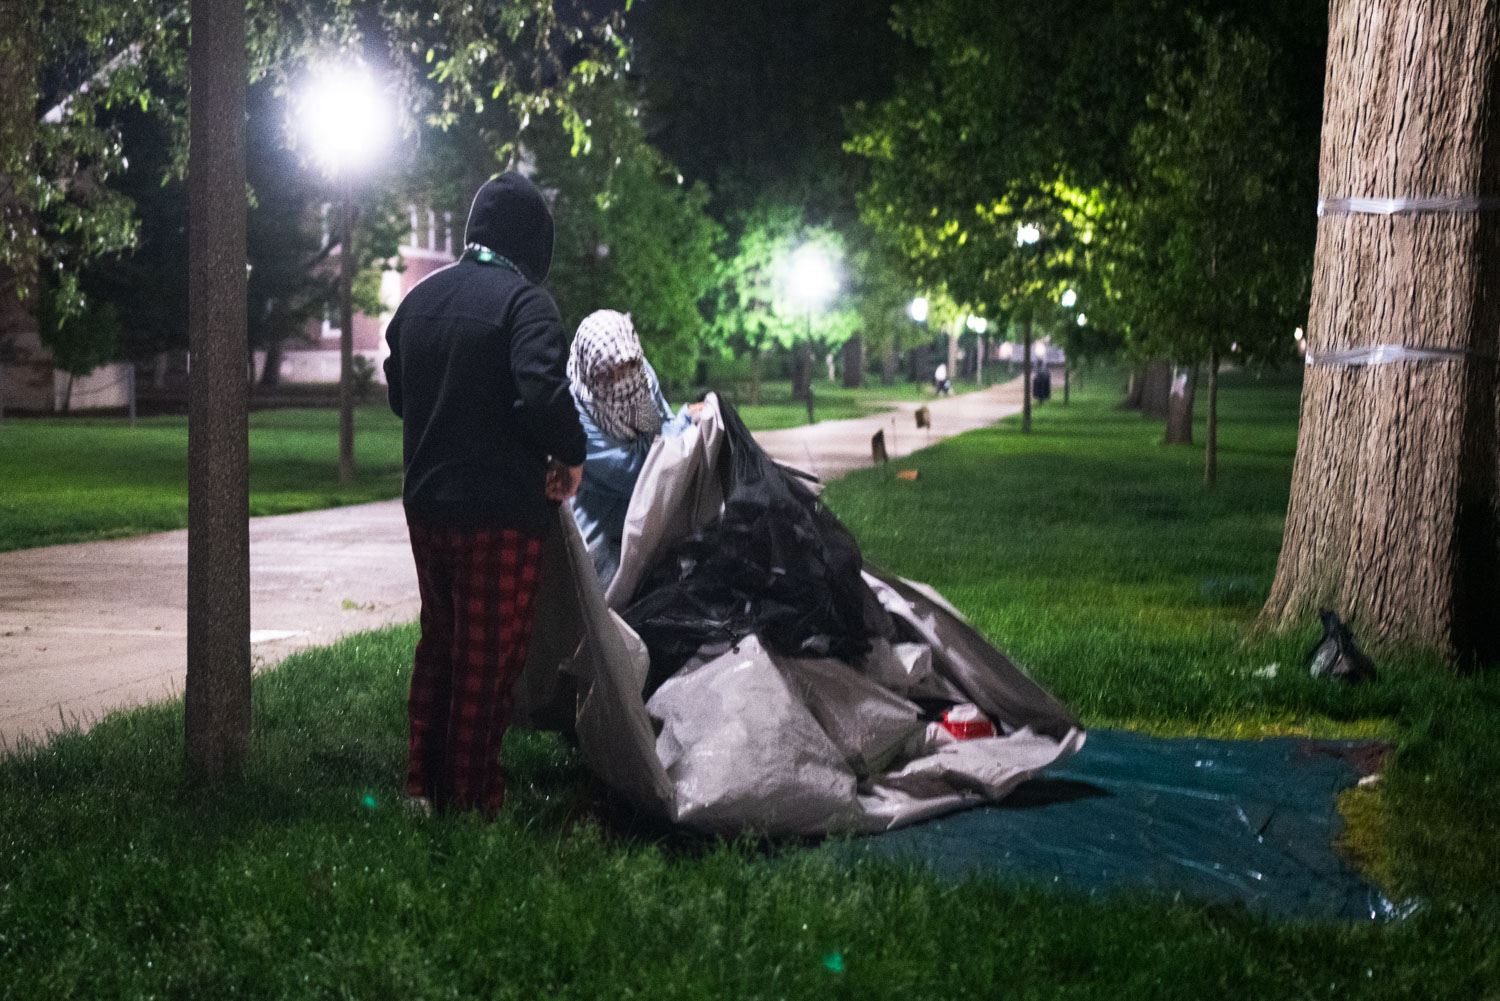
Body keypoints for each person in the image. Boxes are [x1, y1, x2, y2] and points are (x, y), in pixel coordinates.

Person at [383, 172, 586, 816]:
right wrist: (568, 454)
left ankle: (422, 784)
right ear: (534, 246)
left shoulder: (420, 299)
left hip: (427, 502)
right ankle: (469, 803)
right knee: (486, 658)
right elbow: (541, 389)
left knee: (439, 641)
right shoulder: (524, 303)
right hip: (499, 507)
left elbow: (397, 389)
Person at [566, 309, 695, 587]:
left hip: (654, 518)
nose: (618, 380)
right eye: (606, 374)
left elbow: (663, 428)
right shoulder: (574, 408)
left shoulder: (640, 371)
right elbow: (637, 474)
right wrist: (684, 422)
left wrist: (669, 437)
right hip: (601, 525)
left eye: (624, 368)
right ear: (589, 369)